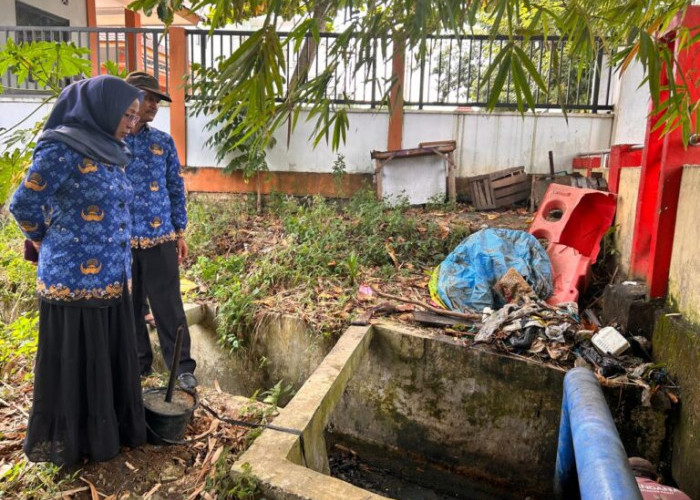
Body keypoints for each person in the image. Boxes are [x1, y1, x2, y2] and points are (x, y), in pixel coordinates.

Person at [9, 75, 147, 466]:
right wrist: (39, 238)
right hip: (72, 278)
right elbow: (24, 204)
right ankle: (72, 443)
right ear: (102, 109)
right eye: (126, 114)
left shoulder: (112, 149)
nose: (131, 123)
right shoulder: (62, 147)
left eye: (135, 116)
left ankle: (110, 435)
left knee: (107, 357)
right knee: (78, 360)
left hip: (113, 277)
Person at [123, 71, 197, 388]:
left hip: (160, 239)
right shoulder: (111, 141)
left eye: (156, 99)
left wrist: (180, 232)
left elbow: (175, 189)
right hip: (121, 242)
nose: (153, 104)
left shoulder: (162, 143)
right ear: (129, 98)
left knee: (169, 307)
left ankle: (181, 368)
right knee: (129, 307)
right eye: (148, 97)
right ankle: (139, 363)